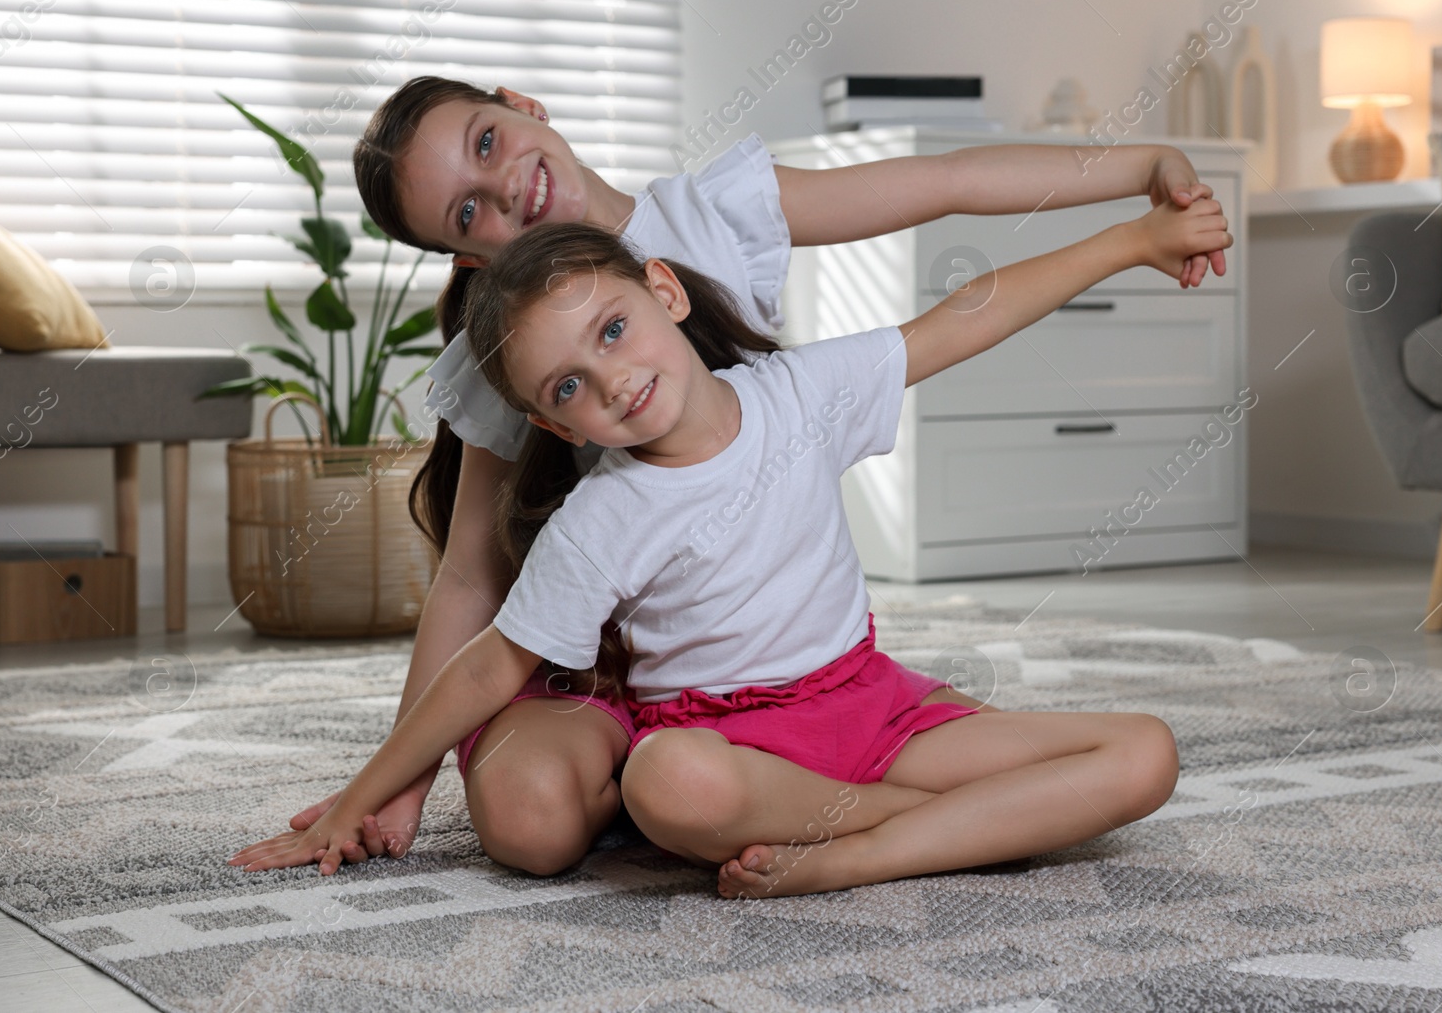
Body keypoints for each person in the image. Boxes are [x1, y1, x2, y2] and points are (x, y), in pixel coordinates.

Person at [286, 76, 1227, 876]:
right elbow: (470, 579)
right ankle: (717, 788)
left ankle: (823, 814)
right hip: (600, 669)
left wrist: (1140, 177)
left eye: (488, 141)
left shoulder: (740, 273)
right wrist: (392, 785)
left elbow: (948, 185)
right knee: (536, 822)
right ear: (465, 255)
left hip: (803, 672)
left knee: (1132, 750)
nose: (504, 189)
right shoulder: (515, 364)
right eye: (466, 210)